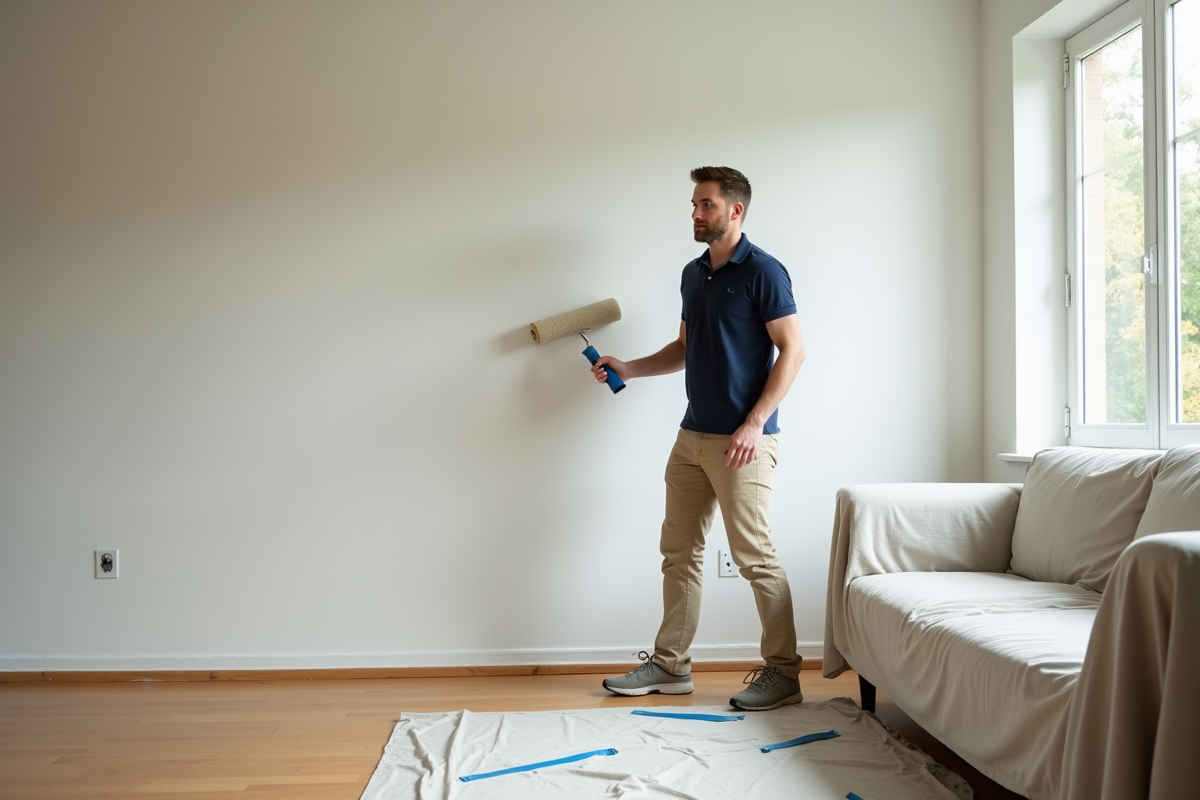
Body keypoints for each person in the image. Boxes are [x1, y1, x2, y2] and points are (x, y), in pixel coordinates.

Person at [592, 166, 806, 711]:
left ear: (736, 211)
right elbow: (685, 346)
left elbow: (794, 351)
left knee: (754, 555)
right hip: (691, 436)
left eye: (705, 205)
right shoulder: (693, 274)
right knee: (679, 552)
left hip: (743, 441)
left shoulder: (764, 272)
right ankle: (670, 665)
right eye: (693, 204)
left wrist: (755, 423)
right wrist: (631, 368)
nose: (695, 213)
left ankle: (784, 672)